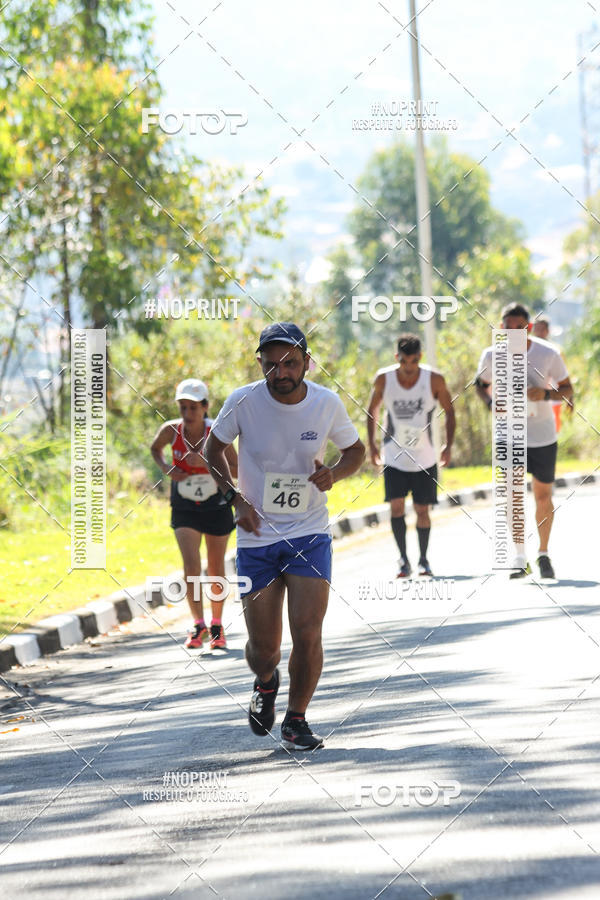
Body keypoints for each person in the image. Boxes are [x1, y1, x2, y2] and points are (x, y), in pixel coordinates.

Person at [204, 322, 365, 751]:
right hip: (257, 537)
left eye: (290, 362)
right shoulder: (243, 401)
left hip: (309, 531)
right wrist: (236, 500)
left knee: (308, 630)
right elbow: (212, 449)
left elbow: (356, 452)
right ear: (260, 363)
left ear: (307, 362)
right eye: (271, 364)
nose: (281, 372)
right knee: (264, 650)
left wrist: (336, 472)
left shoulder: (326, 404)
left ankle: (296, 720)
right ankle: (266, 681)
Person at [475, 303, 573, 579]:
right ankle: (520, 555)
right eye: (508, 327)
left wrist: (544, 395)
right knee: (512, 494)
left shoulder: (547, 353)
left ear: (528, 328)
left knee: (543, 497)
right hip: (509, 435)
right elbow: (480, 385)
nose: (513, 332)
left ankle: (543, 553)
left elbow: (567, 389)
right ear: (502, 328)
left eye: (519, 327)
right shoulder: (491, 355)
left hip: (542, 436)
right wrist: (491, 403)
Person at [150, 379, 238, 649]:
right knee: (190, 564)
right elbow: (155, 449)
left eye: (193, 408)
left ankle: (216, 624)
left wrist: (210, 462)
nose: (187, 415)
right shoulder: (171, 430)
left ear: (205, 407)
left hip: (216, 502)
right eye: (183, 408)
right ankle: (198, 624)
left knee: (214, 566)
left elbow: (236, 469)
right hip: (184, 504)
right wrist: (167, 468)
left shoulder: (217, 433)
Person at [366, 333, 455, 578]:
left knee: (422, 509)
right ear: (397, 357)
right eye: (404, 361)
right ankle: (403, 560)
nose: (408, 367)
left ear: (420, 358)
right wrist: (372, 445)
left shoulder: (434, 379)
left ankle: (424, 559)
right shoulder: (384, 379)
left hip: (425, 457)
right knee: (396, 508)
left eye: (414, 361)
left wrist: (448, 445)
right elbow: (372, 410)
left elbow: (450, 411)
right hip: (393, 455)